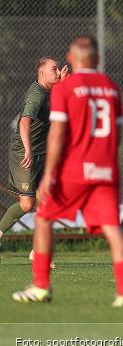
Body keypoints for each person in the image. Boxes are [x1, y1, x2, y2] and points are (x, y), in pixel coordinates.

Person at [12, 35, 123, 306]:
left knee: (43, 218)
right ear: (98, 59)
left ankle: (41, 286)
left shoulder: (67, 88)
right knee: (113, 229)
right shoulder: (112, 88)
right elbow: (119, 133)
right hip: (106, 170)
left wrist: (51, 174)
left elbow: (57, 135)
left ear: (71, 59)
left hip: (76, 169)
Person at [0, 57, 68, 249]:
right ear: (42, 73)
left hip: (41, 151)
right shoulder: (36, 95)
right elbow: (23, 122)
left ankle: (39, 251)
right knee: (27, 204)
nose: (57, 71)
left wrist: (61, 83)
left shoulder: (48, 90)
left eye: (57, 69)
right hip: (24, 151)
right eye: (53, 69)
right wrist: (28, 149)